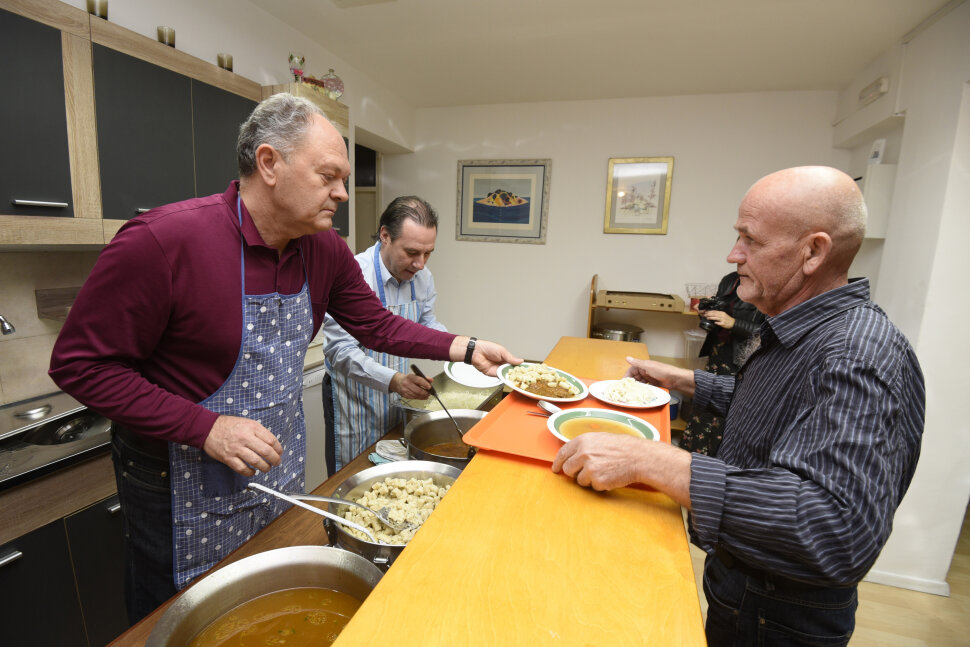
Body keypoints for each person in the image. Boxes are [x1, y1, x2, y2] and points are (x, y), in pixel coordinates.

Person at [48, 92, 521, 623]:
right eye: (329, 176)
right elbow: (80, 366)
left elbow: (376, 324)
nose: (343, 193)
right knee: (183, 616)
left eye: (344, 179)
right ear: (269, 163)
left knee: (269, 600)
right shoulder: (164, 241)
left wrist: (468, 348)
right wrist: (206, 427)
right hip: (178, 477)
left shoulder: (323, 248)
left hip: (276, 461)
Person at [552, 166, 924, 646]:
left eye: (751, 239)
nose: (734, 254)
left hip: (778, 615)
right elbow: (781, 413)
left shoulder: (858, 353)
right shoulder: (809, 326)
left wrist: (653, 460)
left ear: (813, 252)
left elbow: (833, 528)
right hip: (744, 590)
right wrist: (686, 380)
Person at [322, 195, 445, 473]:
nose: (420, 264)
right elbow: (340, 351)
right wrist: (393, 380)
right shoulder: (354, 274)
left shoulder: (422, 278)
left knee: (391, 469)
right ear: (385, 236)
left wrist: (462, 351)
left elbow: (427, 324)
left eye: (428, 253)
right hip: (352, 398)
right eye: (412, 252)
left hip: (396, 393)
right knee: (352, 476)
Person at [683, 271, 764, 455]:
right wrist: (707, 313)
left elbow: (771, 332)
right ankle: (692, 456)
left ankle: (716, 462)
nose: (738, 259)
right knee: (704, 406)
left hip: (744, 360)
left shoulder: (770, 284)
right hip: (718, 353)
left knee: (728, 415)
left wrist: (735, 323)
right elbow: (721, 314)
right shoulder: (730, 280)